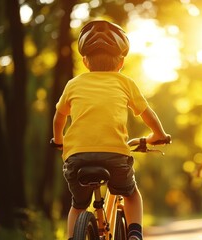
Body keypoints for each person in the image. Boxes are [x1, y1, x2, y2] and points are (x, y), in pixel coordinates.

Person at [51, 20, 170, 240]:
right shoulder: (125, 83)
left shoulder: (73, 84)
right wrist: (159, 135)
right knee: (131, 194)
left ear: (85, 61)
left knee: (77, 206)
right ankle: (135, 234)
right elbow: (147, 114)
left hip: (77, 157)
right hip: (115, 154)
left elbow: (59, 117)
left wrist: (59, 140)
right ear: (121, 62)